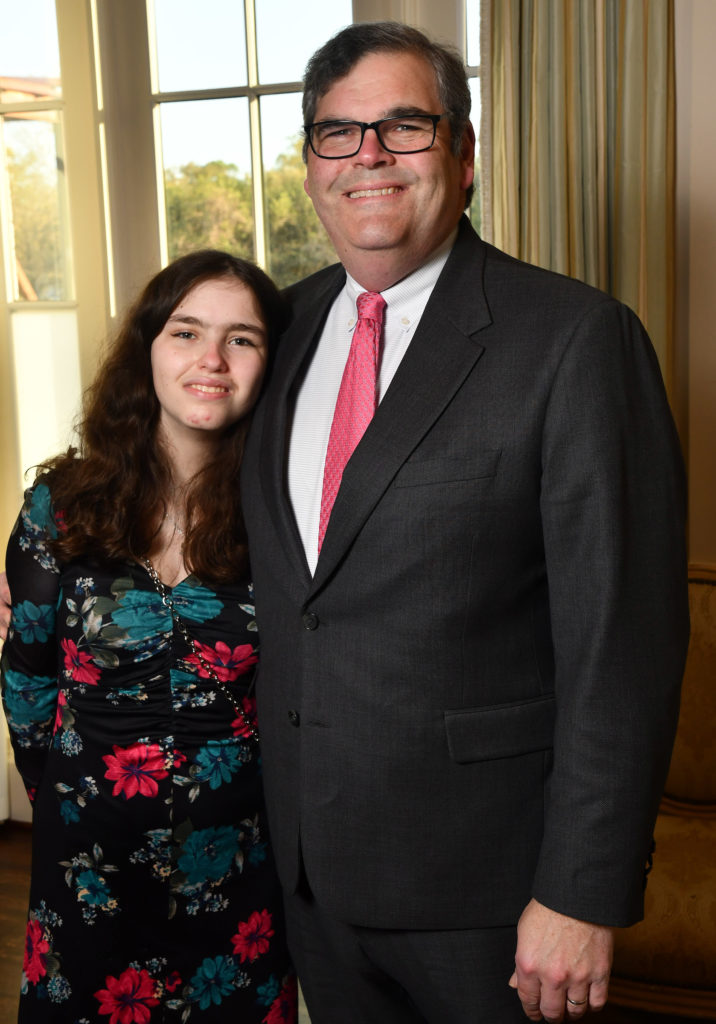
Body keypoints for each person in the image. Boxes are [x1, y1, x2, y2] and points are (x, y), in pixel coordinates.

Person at [237, 21, 690, 1024]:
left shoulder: (573, 340)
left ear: (464, 155)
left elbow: (623, 643)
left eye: (403, 126)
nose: (367, 157)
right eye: (337, 134)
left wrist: (579, 889)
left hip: (491, 898)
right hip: (307, 876)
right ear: (309, 165)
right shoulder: (277, 326)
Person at [0, 250, 296, 1023]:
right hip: (87, 872)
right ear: (147, 350)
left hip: (236, 874)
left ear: (271, 363)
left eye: (243, 339)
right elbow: (27, 679)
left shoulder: (290, 517)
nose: (211, 360)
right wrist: (71, 805)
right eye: (186, 331)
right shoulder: (58, 507)